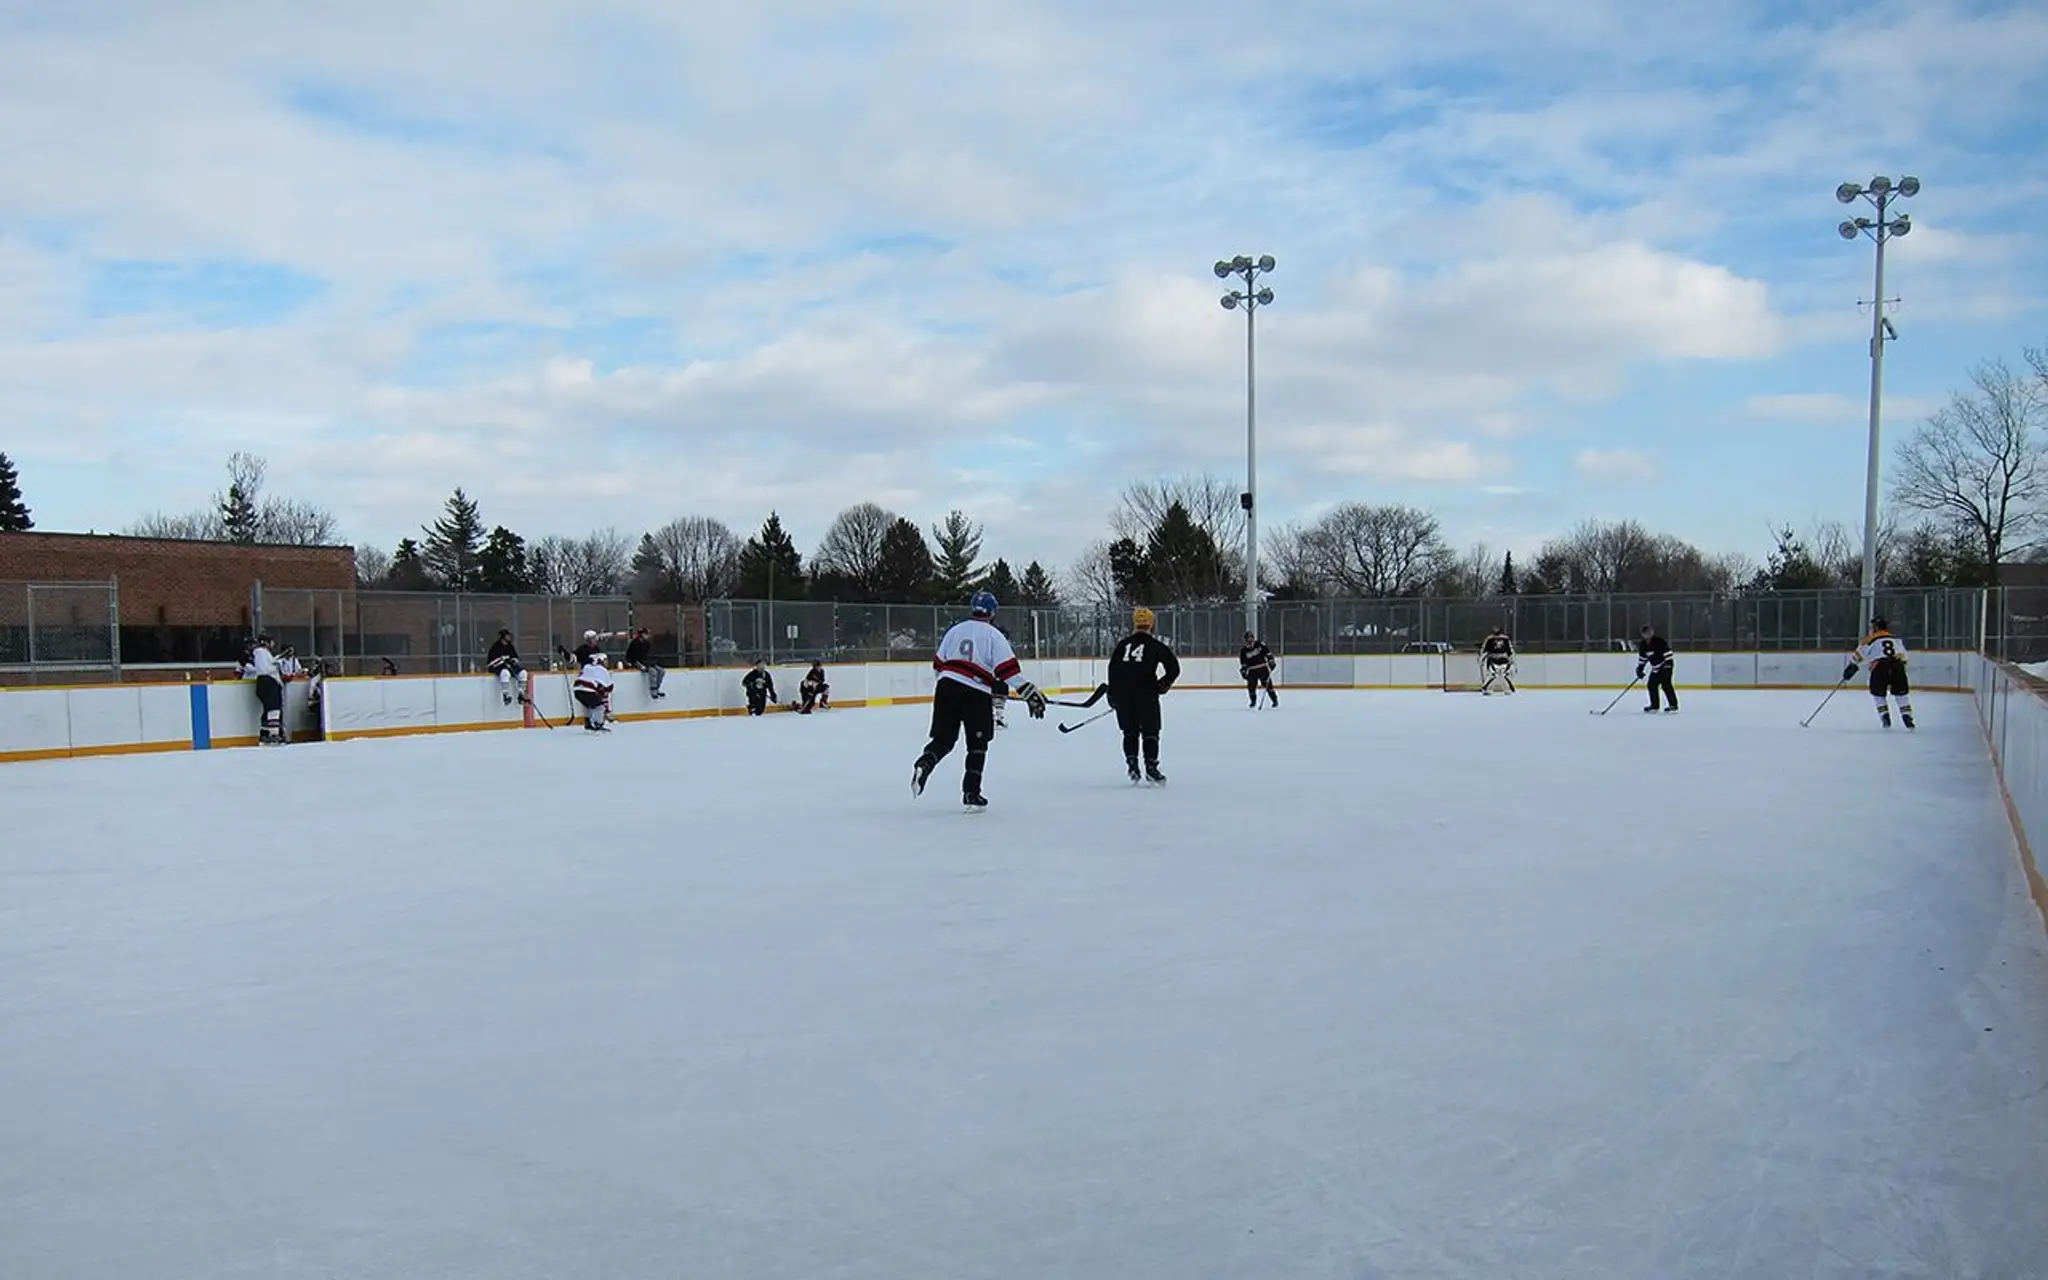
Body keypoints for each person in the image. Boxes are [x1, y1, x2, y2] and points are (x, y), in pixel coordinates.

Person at [911, 590, 1045, 810]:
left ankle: (924, 763)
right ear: (992, 612)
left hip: (946, 686)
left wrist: (949, 686)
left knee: (944, 740)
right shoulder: (994, 635)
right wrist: (1029, 692)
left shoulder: (955, 630)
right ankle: (971, 794)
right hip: (975, 692)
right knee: (977, 745)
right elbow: (1007, 671)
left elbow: (938, 664)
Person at [1108, 607, 1181, 783]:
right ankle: (1151, 767)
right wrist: (1162, 685)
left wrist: (1113, 694)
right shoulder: (1155, 645)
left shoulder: (1122, 645)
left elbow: (1113, 669)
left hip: (1124, 695)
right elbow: (1174, 668)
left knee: (1129, 732)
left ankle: (1132, 766)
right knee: (1151, 732)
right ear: (1151, 624)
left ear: (1134, 623)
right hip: (1146, 695)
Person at [1845, 615, 1915, 730]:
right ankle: (1907, 716)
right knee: (1901, 694)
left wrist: (1850, 669)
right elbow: (1904, 657)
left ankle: (1884, 716)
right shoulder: (1895, 640)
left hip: (1880, 667)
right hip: (1897, 666)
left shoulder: (1869, 640)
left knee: (1878, 694)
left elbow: (1858, 656)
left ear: (1875, 627)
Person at [241, 632, 286, 745]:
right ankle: (273, 735)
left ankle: (265, 735)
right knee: (273, 708)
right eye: (271, 641)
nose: (273, 643)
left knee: (269, 709)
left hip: (268, 682)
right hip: (267, 682)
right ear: (265, 642)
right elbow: (263, 670)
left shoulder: (263, 653)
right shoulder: (261, 652)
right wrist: (276, 665)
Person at [1636, 624, 1677, 713]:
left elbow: (1668, 653)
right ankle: (1654, 706)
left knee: (1666, 684)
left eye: (1649, 632)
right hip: (1656, 668)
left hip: (1665, 666)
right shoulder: (1643, 645)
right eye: (1645, 633)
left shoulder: (1659, 641)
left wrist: (1668, 666)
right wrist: (1640, 669)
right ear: (1642, 634)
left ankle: (1673, 705)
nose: (1648, 634)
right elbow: (1643, 658)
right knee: (1651, 685)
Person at [572, 655, 616, 732]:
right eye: (605, 660)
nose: (606, 663)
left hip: (577, 689)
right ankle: (598, 724)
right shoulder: (602, 670)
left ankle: (588, 723)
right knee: (599, 707)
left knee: (587, 706)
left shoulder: (587, 667)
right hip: (588, 689)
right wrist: (602, 691)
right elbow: (610, 687)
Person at [485, 628, 526, 705]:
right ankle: (505, 694)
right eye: (507, 636)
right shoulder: (496, 646)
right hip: (499, 667)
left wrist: (513, 661)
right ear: (503, 637)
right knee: (505, 673)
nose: (509, 637)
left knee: (523, 673)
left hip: (510, 666)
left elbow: (516, 657)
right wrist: (502, 660)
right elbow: (491, 663)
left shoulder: (510, 646)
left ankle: (521, 694)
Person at [1238, 631, 1279, 709]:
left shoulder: (1260, 645)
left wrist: (1271, 661)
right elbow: (1243, 663)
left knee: (1268, 685)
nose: (1249, 642)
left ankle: (1274, 700)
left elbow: (1268, 653)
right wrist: (1243, 670)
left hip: (1262, 668)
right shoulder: (1243, 651)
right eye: (1247, 640)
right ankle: (1253, 702)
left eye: (1250, 639)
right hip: (1252, 670)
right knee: (1251, 687)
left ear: (1253, 638)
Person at [624, 627, 666, 700]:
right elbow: (631, 657)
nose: (648, 636)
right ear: (642, 634)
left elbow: (647, 655)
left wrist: (652, 662)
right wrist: (639, 665)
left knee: (662, 671)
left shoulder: (647, 643)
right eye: (646, 634)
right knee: (653, 672)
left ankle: (657, 688)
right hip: (637, 662)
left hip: (646, 662)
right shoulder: (635, 643)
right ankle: (653, 691)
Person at [1480, 627, 1516, 695]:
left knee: (1505, 675)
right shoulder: (1489, 639)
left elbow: (1510, 650)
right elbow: (1484, 649)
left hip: (1504, 659)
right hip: (1492, 659)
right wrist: (1482, 658)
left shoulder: (1505, 639)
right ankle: (1486, 688)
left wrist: (1511, 658)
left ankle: (1508, 689)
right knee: (1492, 675)